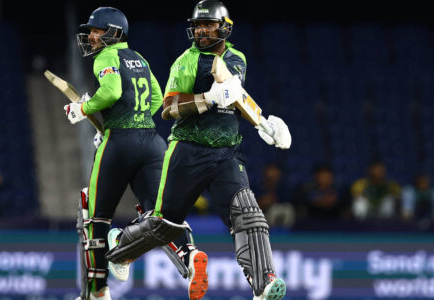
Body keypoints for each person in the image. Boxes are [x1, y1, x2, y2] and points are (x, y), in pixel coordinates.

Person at [105, 1, 290, 299]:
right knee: (164, 225)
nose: (203, 31)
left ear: (224, 28)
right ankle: (119, 249)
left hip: (227, 154)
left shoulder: (238, 58)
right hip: (188, 151)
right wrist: (208, 98)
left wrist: (262, 122)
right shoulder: (186, 61)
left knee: (248, 214)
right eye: (198, 26)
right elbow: (168, 108)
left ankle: (264, 284)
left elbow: (236, 94)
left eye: (209, 25)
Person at [65, 7, 203, 300]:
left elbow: (112, 92)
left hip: (120, 145)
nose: (90, 36)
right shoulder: (138, 58)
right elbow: (155, 96)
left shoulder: (106, 56)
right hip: (152, 141)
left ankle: (98, 291)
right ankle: (190, 254)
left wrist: (84, 108)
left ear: (114, 32)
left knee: (96, 218)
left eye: (96, 31)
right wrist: (133, 117)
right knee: (161, 213)